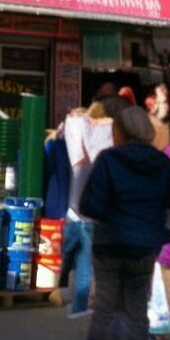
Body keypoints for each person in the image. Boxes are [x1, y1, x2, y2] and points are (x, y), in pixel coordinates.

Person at [67, 105, 170, 340]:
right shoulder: (162, 162)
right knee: (135, 313)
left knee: (105, 311)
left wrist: (115, 213)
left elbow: (90, 204)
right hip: (144, 247)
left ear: (120, 132)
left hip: (112, 244)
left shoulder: (110, 160)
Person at [61, 101, 116, 317]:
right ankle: (80, 307)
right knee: (84, 263)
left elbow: (76, 123)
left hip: (73, 210)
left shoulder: (75, 139)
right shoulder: (104, 145)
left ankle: (56, 291)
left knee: (65, 254)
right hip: (90, 215)